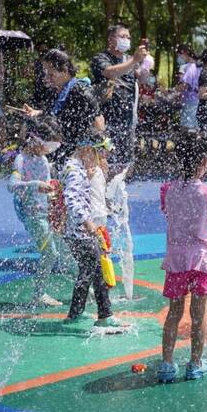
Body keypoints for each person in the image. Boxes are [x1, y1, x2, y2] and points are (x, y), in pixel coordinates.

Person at [157, 130, 207, 382]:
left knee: (174, 313)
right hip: (202, 262)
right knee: (198, 315)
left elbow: (167, 212)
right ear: (204, 162)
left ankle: (166, 364)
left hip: (176, 260)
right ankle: (195, 363)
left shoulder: (166, 189)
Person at [61, 135, 129, 331]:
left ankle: (76, 313)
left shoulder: (74, 166)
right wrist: (87, 222)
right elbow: (72, 200)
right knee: (95, 270)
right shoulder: (76, 170)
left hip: (76, 231)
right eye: (94, 153)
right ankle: (104, 315)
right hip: (80, 231)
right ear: (86, 151)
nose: (97, 158)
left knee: (89, 270)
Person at [7, 119, 67, 307]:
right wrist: (35, 185)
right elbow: (12, 185)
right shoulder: (21, 160)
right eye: (47, 147)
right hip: (32, 214)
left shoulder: (43, 160)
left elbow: (48, 186)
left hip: (46, 213)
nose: (48, 152)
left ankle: (86, 286)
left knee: (64, 252)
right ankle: (39, 294)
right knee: (50, 253)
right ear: (35, 140)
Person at [21, 49, 105, 167]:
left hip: (80, 155)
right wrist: (36, 113)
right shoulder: (55, 91)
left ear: (65, 71)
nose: (47, 78)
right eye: (46, 74)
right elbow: (57, 114)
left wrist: (100, 154)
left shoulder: (81, 91)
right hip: (62, 152)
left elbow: (99, 121)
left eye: (51, 74)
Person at [90, 24, 151, 165]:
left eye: (129, 37)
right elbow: (110, 72)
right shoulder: (100, 58)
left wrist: (146, 65)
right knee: (104, 164)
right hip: (105, 122)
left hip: (127, 121)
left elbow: (142, 80)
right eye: (123, 36)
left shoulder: (129, 59)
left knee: (124, 166)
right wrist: (134, 60)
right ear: (111, 40)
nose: (127, 40)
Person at [176, 44, 201, 130]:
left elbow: (184, 85)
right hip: (195, 100)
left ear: (184, 53)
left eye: (179, 55)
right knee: (194, 127)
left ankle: (188, 142)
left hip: (189, 101)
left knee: (186, 128)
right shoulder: (198, 66)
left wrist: (173, 90)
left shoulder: (190, 67)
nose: (179, 58)